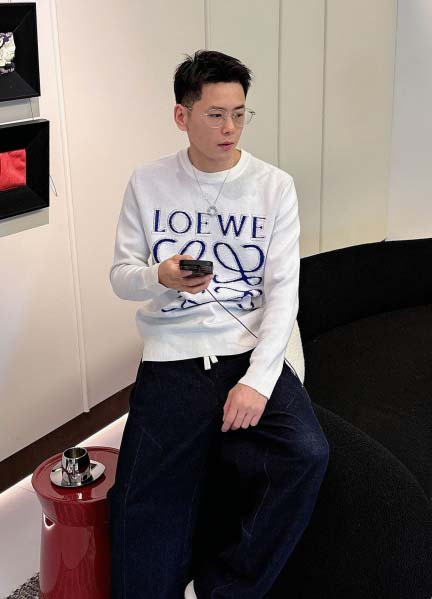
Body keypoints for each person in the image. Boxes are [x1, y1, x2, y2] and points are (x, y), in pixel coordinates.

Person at [106, 49, 330, 599]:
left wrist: (259, 380)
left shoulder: (274, 186)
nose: (230, 128)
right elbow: (121, 278)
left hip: (244, 348)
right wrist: (160, 275)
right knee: (139, 498)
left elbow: (283, 294)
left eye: (239, 113)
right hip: (173, 353)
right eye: (215, 114)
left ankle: (224, 589)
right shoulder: (148, 182)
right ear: (182, 116)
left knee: (307, 453)